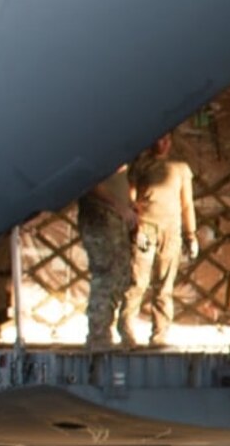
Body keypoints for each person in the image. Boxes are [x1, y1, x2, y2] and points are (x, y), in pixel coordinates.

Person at [122, 134, 197, 347]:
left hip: (171, 230)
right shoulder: (141, 165)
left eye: (166, 140)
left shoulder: (181, 168)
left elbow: (187, 203)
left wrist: (191, 234)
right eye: (158, 140)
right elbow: (131, 200)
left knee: (164, 285)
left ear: (171, 142)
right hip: (146, 227)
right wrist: (136, 228)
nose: (161, 144)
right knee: (138, 281)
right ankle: (126, 330)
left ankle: (160, 333)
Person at [77, 165, 136, 350]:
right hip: (102, 217)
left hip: (117, 220)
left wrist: (129, 205)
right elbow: (89, 183)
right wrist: (120, 207)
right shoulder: (100, 150)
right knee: (106, 275)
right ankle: (97, 335)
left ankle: (106, 331)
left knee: (121, 275)